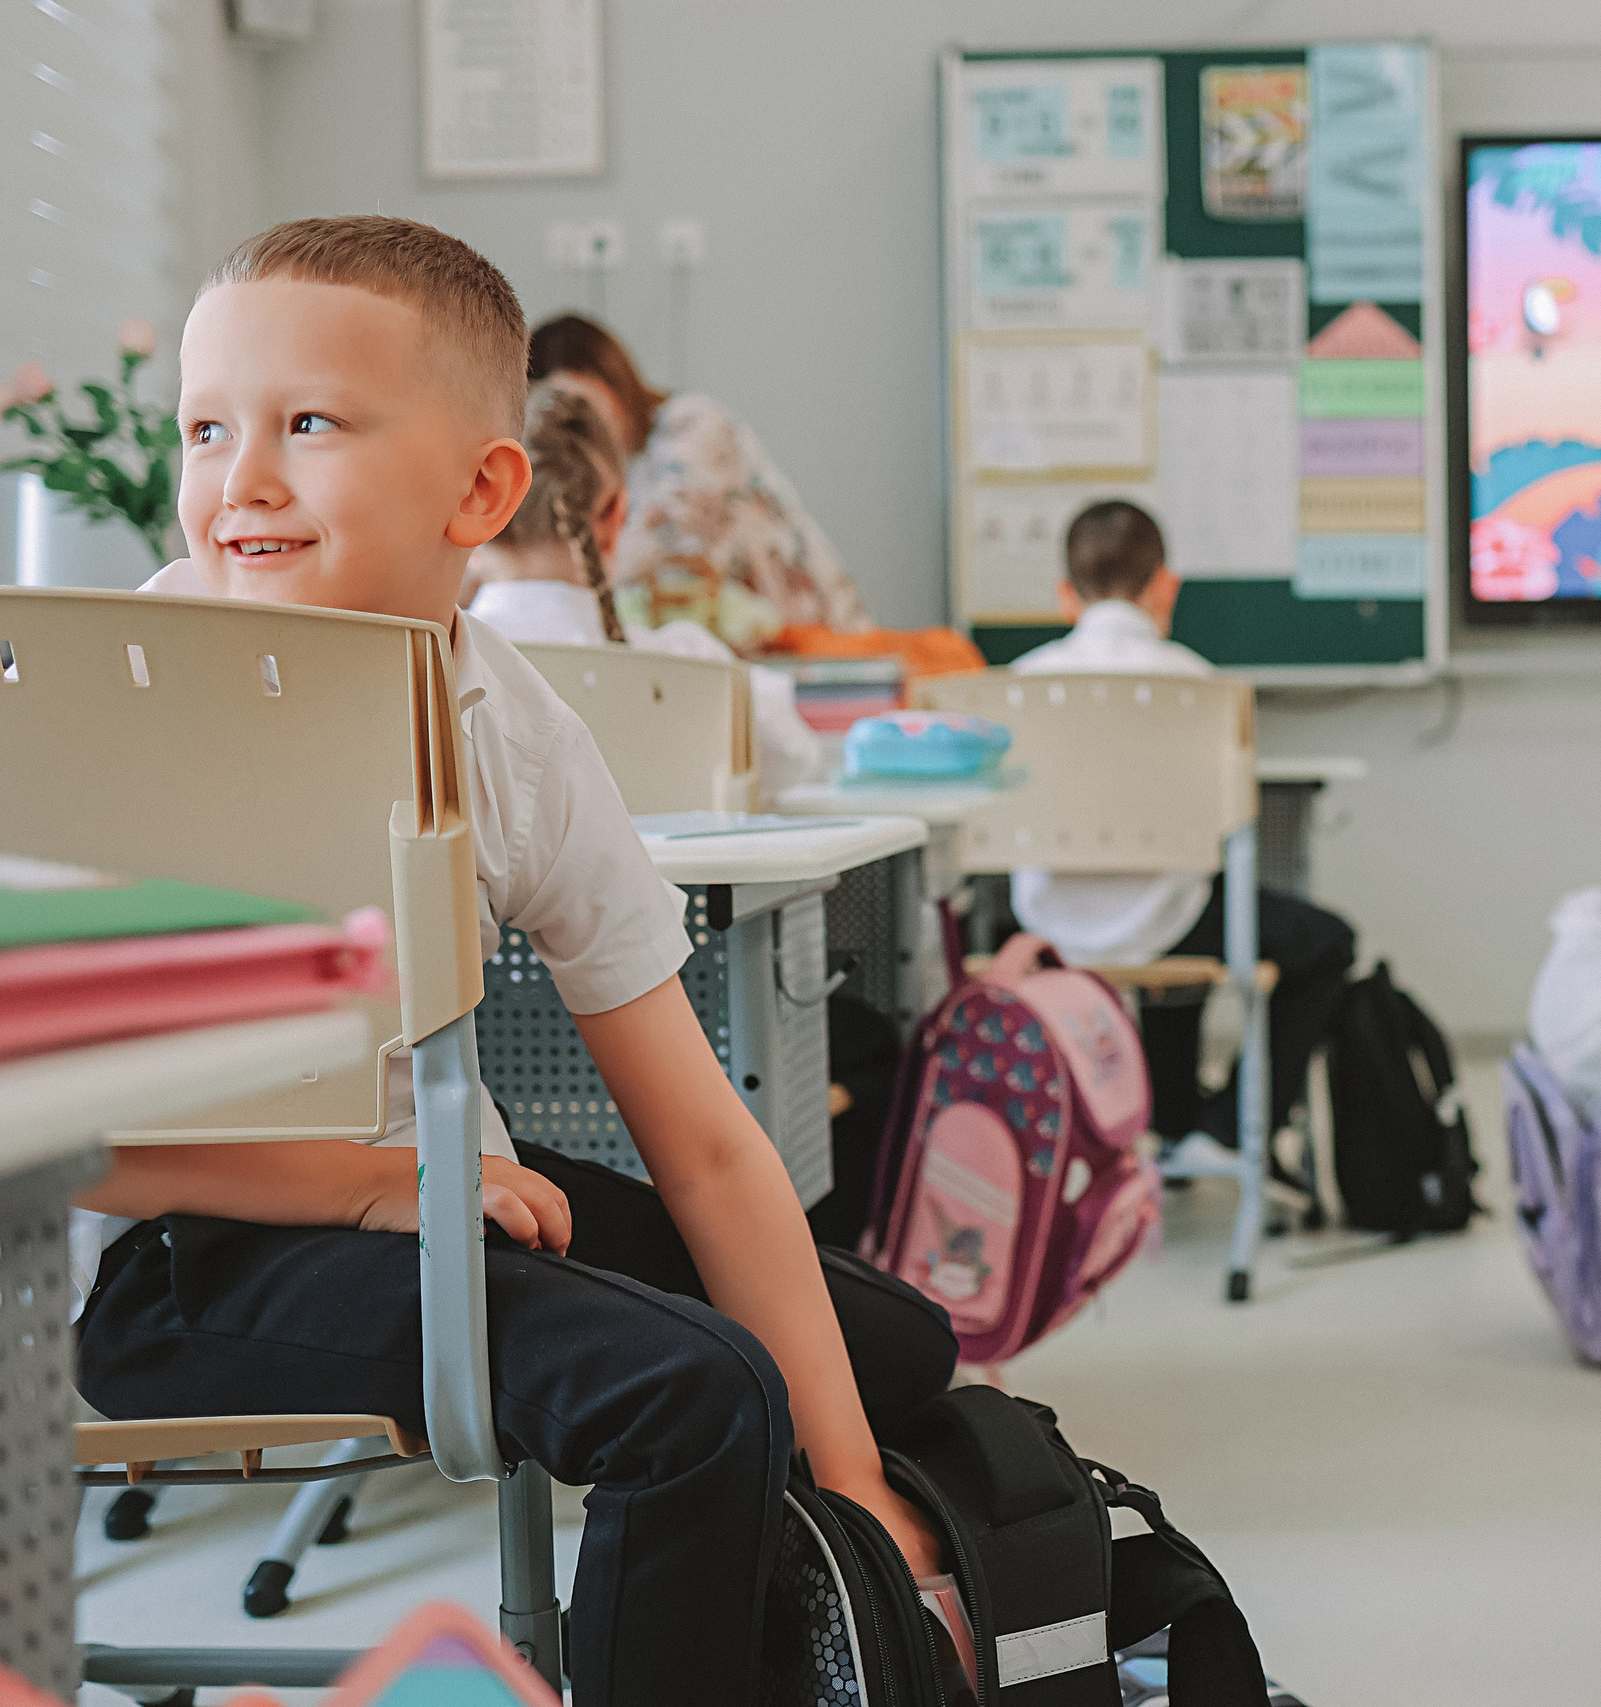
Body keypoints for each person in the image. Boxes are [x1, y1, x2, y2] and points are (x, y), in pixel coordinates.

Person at [76, 216, 952, 1703]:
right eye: (207, 427)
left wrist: (861, 1481)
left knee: (890, 1347)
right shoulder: (113, 697)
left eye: (307, 423)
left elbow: (710, 1146)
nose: (244, 480)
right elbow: (75, 1140)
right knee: (698, 1395)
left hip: (438, 1202)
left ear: (481, 489)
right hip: (189, 1258)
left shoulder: (517, 726)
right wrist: (365, 1186)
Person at [1009, 500, 1357, 1161]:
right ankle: (1225, 1130)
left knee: (1180, 907)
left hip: (1046, 925)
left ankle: (1167, 1118)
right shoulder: (1200, 686)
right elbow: (1230, 821)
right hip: (1171, 919)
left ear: (1064, 594)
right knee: (1320, 940)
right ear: (1165, 585)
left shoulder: (1022, 684)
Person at [466, 377, 827, 792]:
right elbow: (796, 756)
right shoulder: (692, 666)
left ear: (479, 514)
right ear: (616, 518)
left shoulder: (432, 672)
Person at [525, 312, 872, 636]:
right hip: (751, 642)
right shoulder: (613, 468)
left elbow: (659, 538)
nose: (574, 422)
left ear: (611, 381)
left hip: (814, 638)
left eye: (579, 401)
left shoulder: (692, 424)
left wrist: (529, 571)